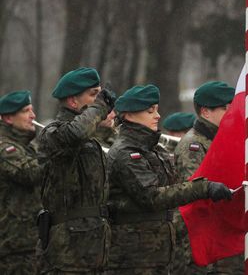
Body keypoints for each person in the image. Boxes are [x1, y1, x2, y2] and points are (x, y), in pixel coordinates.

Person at [106, 84, 232, 275]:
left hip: (158, 252)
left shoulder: (154, 150)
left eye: (156, 110)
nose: (157, 116)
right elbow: (152, 196)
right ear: (129, 116)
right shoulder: (126, 153)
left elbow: (174, 186)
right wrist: (204, 187)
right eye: (150, 111)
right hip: (133, 255)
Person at [38, 67, 115, 274]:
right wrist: (99, 108)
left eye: (100, 94)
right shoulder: (53, 133)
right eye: (93, 95)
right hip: (68, 249)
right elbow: (75, 133)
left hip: (95, 245)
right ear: (73, 102)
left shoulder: (91, 139)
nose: (100, 100)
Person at [174, 81, 243, 275]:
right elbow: (195, 189)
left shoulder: (220, 139)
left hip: (217, 234)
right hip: (196, 238)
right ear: (206, 112)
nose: (232, 113)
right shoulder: (193, 145)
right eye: (225, 108)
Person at [0, 90, 42, 274]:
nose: (33, 116)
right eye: (26, 111)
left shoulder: (28, 148)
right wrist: (55, 151)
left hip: (30, 241)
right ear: (8, 118)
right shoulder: (5, 147)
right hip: (12, 245)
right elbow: (29, 173)